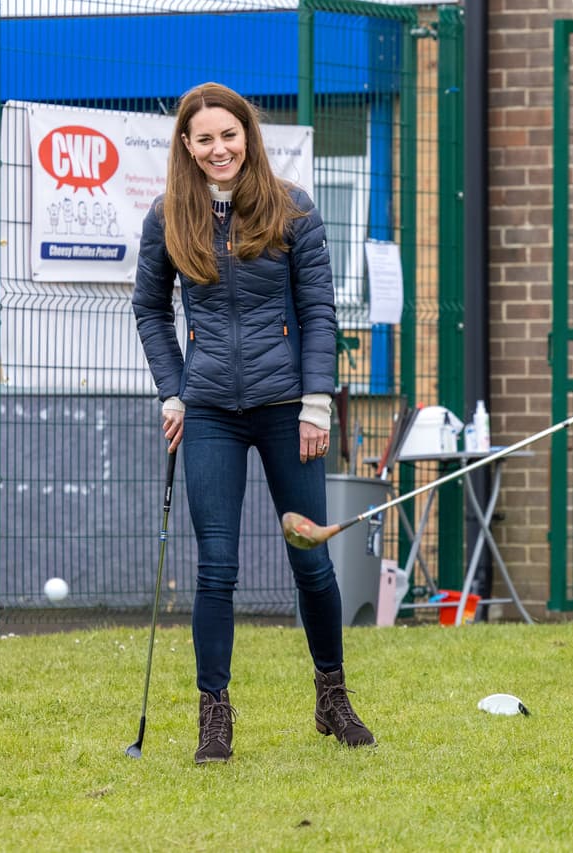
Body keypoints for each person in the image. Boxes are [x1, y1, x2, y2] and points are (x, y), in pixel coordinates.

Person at [132, 82, 374, 763]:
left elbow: (320, 312)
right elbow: (149, 309)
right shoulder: (166, 216)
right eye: (204, 138)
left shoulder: (293, 208)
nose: (219, 149)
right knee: (217, 567)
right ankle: (215, 715)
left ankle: (333, 697)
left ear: (248, 136)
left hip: (285, 408)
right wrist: (172, 392)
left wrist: (317, 401)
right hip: (208, 409)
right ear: (187, 145)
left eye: (229, 135)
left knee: (312, 560)